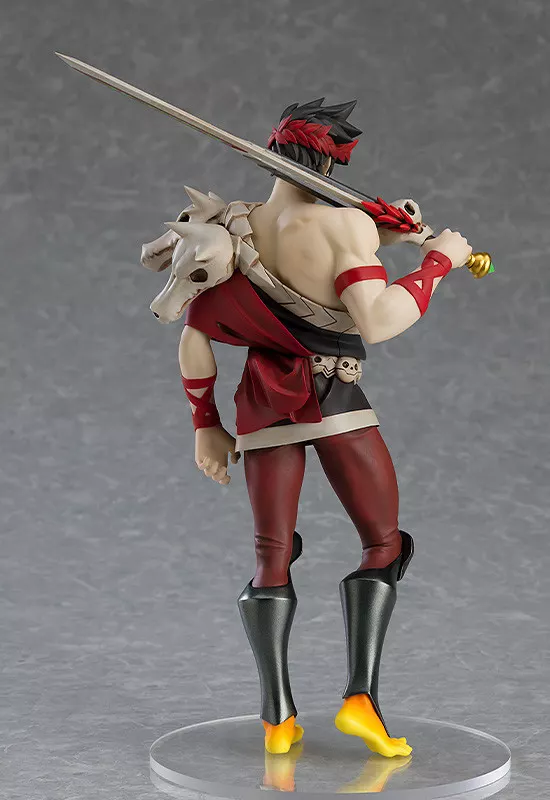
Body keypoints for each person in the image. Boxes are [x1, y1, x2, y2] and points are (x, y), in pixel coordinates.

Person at [174, 99, 472, 756]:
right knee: (384, 545)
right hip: (335, 396)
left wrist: (205, 424)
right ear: (331, 165)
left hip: (259, 406)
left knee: (271, 556)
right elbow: (379, 321)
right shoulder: (343, 226)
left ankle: (277, 719)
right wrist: (437, 263)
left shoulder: (237, 224)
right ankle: (361, 700)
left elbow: (196, 331)